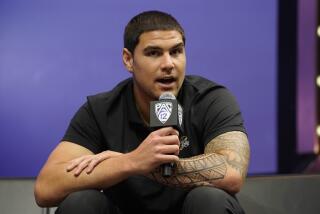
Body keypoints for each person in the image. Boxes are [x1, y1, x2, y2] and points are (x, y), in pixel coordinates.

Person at [34, 10, 250, 214]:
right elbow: (46, 188)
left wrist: (148, 166)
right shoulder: (101, 110)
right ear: (129, 59)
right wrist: (131, 162)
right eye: (154, 53)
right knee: (81, 203)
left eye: (176, 51)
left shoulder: (211, 99)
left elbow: (232, 173)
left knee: (210, 199)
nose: (169, 64)